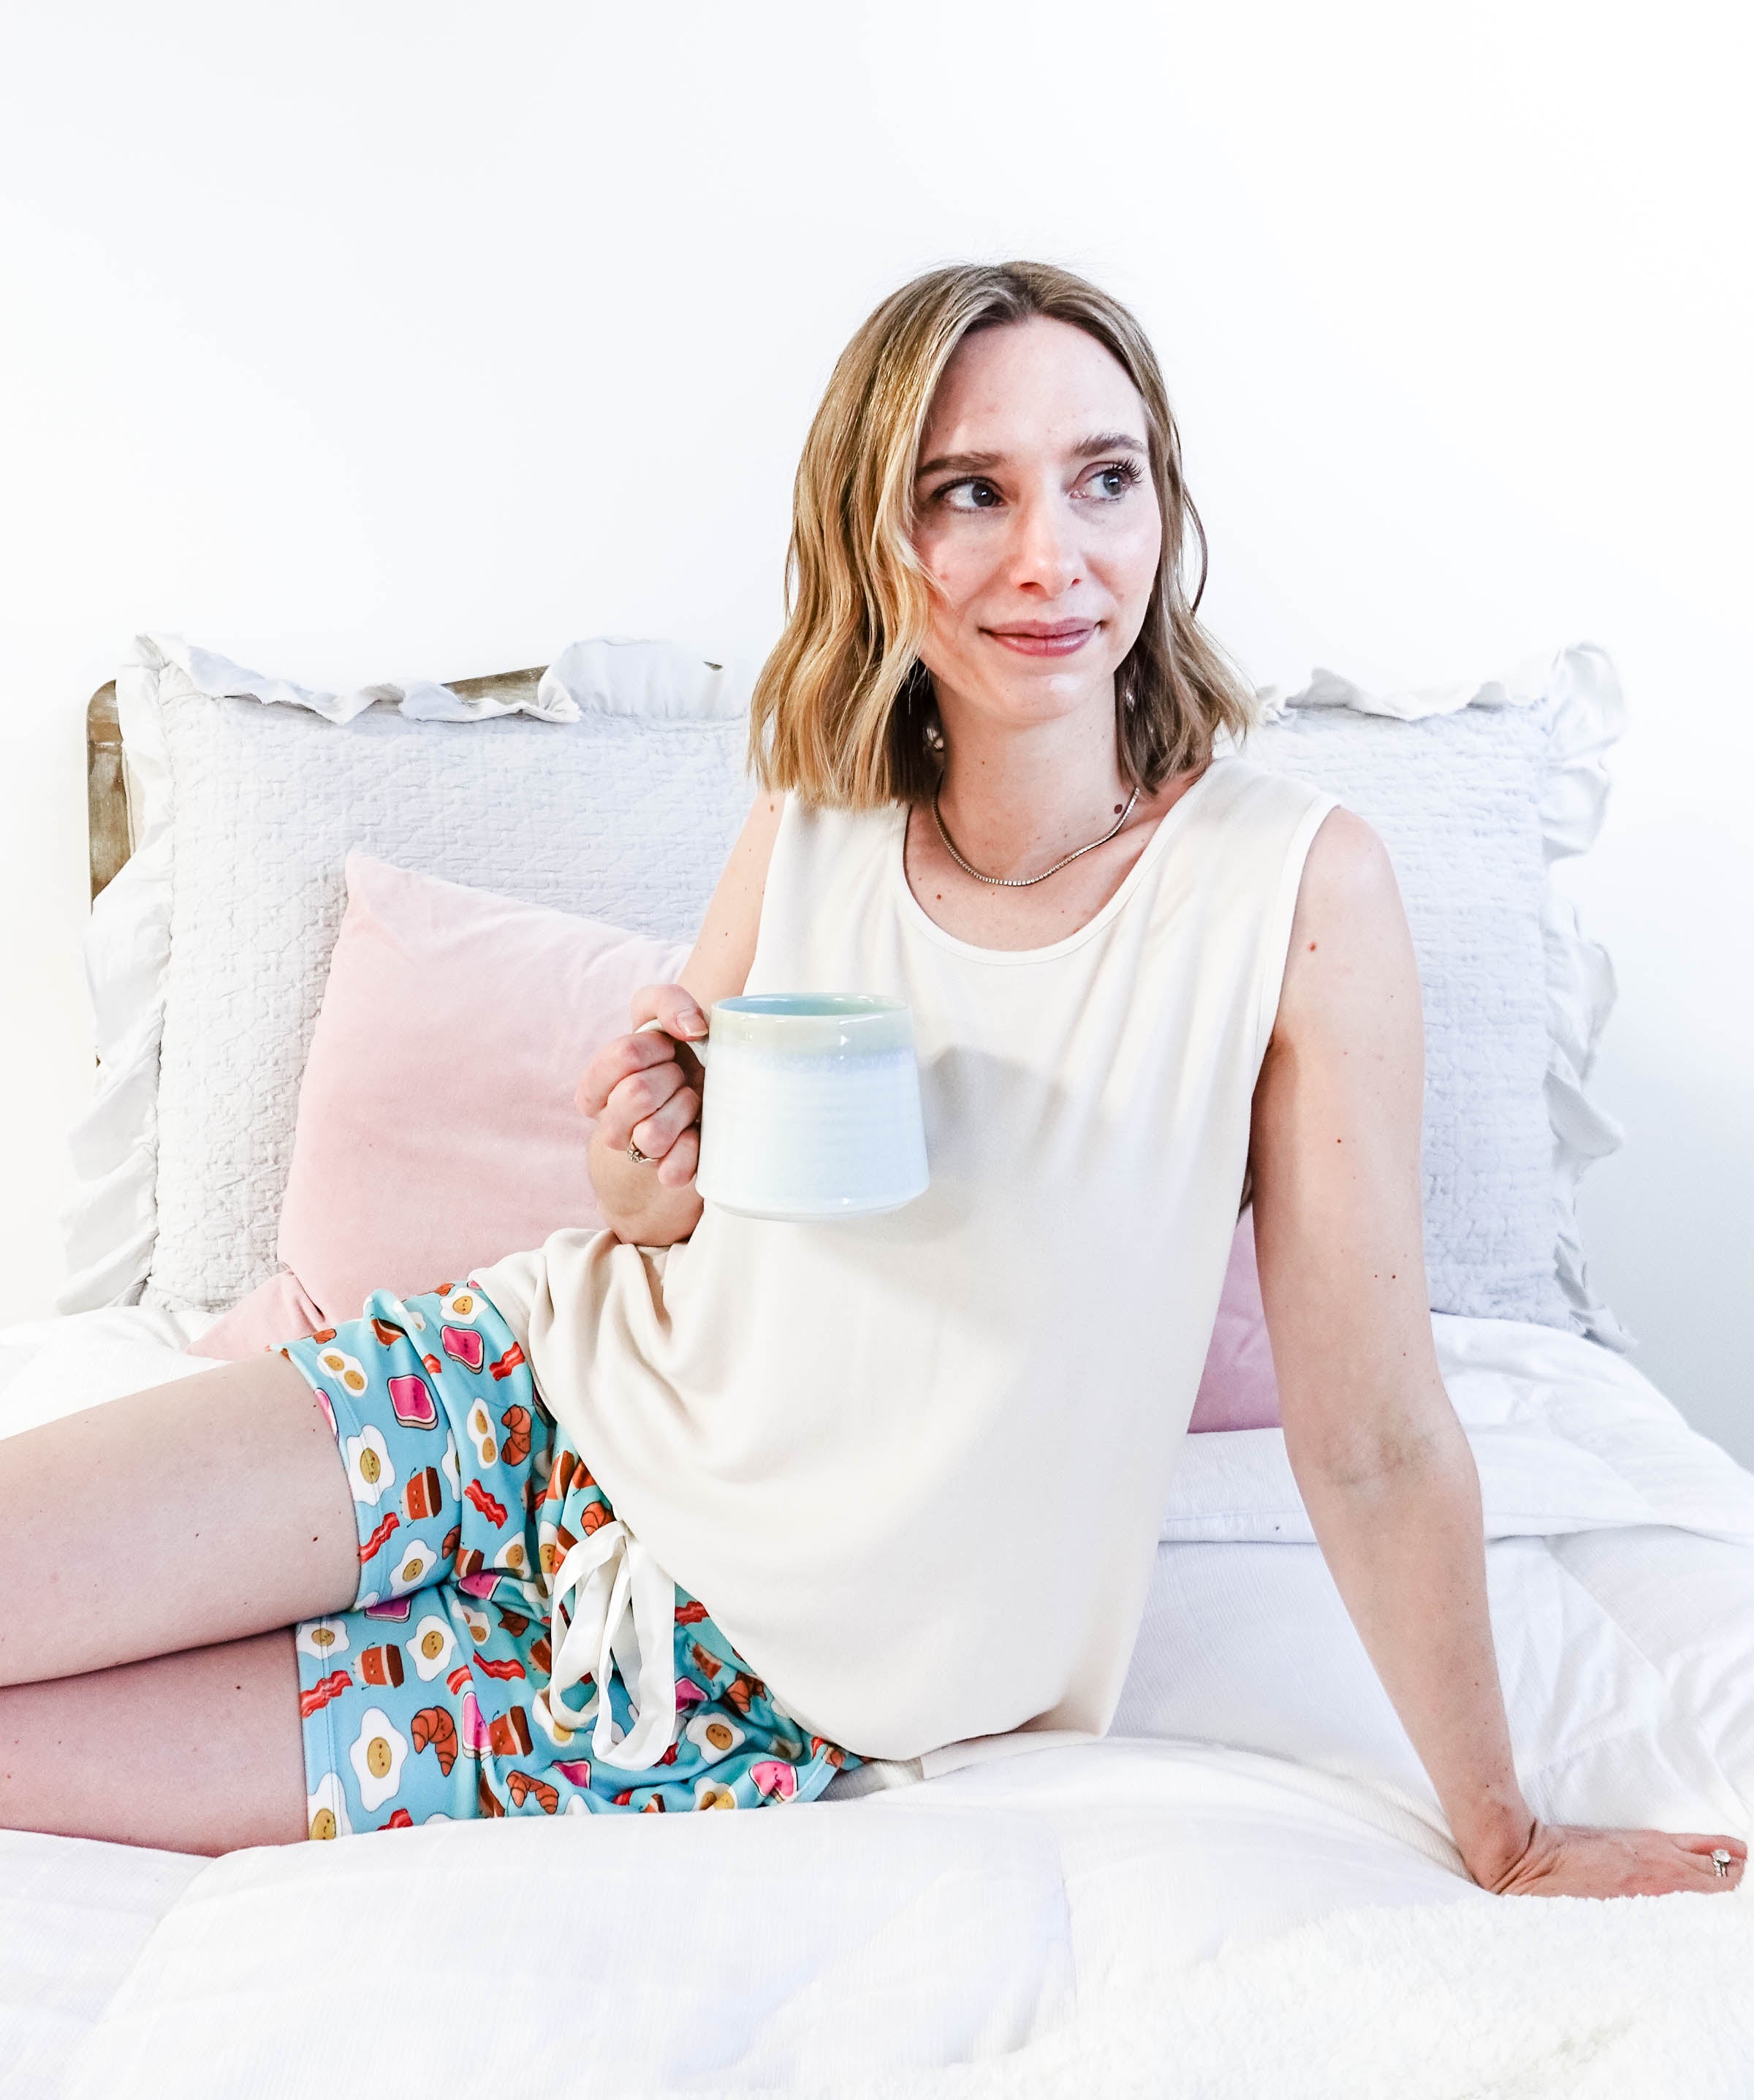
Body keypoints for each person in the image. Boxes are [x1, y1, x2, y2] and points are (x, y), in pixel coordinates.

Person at [0, 263, 1744, 1895]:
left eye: (1104, 478)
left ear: (1165, 511)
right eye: (970, 490)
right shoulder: (822, 805)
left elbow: (1366, 1435)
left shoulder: (1295, 891)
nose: (1052, 556)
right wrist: (642, 1158)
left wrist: (1505, 1832)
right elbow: (658, 1220)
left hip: (717, 1686)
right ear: (880, 534)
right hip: (513, 1400)